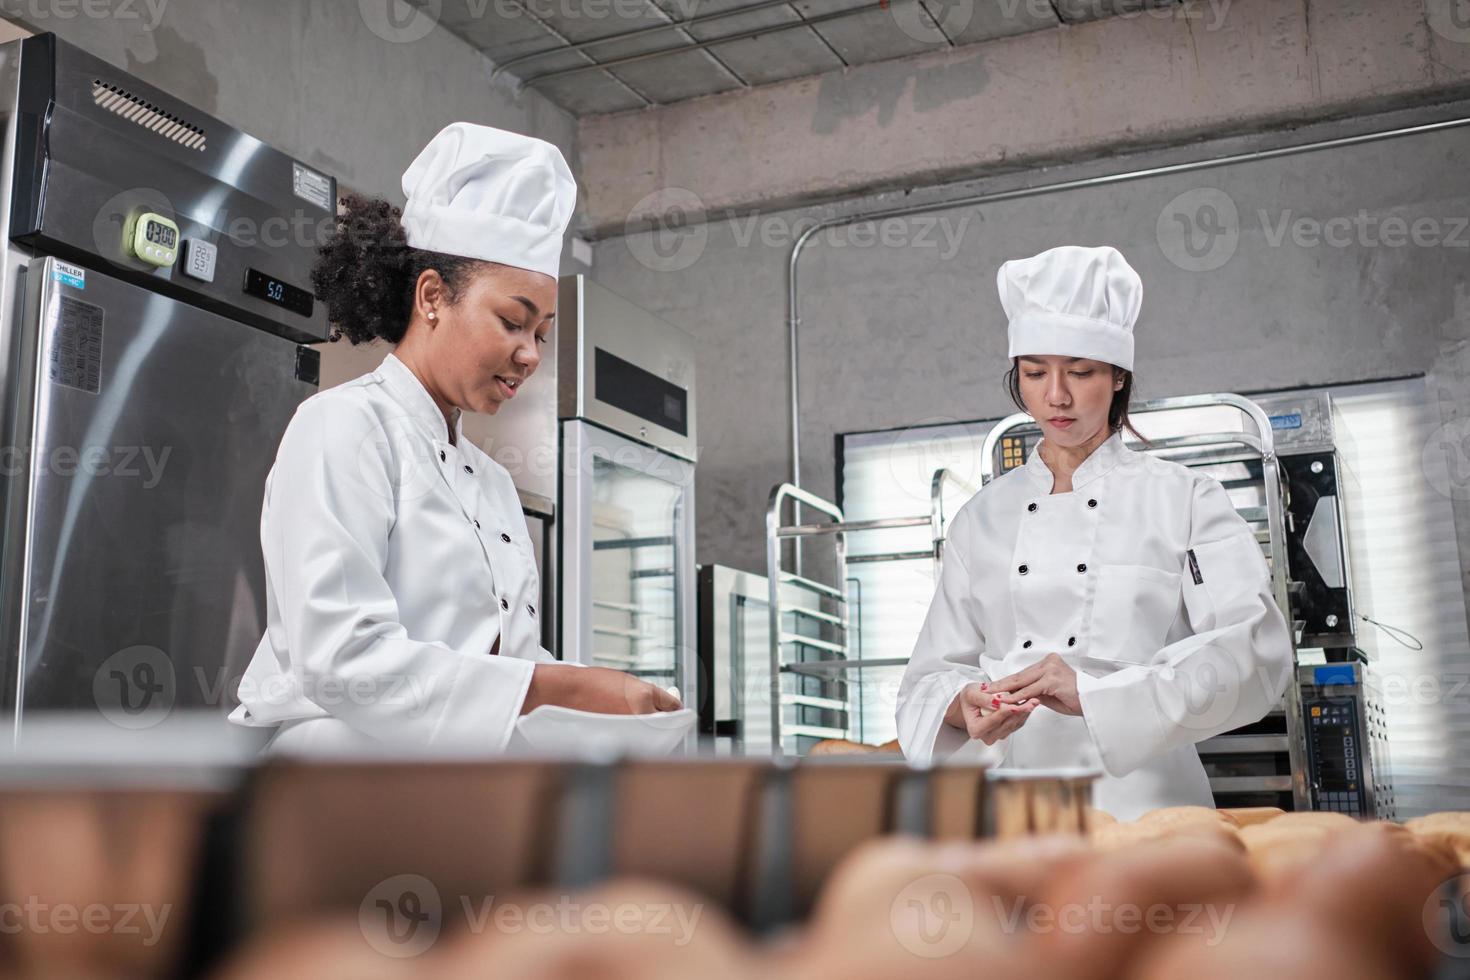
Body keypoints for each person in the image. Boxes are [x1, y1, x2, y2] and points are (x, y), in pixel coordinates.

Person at [229, 123, 680, 755]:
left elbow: (502, 666)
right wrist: (566, 691)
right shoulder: (343, 428)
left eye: (543, 334)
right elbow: (341, 659)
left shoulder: (492, 484)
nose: (529, 355)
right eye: (512, 322)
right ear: (433, 296)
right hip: (335, 788)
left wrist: (601, 701)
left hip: (454, 790)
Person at [895, 245, 1292, 819]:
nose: (1056, 395)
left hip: (1150, 811)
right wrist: (961, 705)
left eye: (1080, 372)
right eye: (1034, 373)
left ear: (1118, 376)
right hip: (1012, 812)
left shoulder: (1182, 498)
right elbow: (928, 677)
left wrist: (1096, 696)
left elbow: (1254, 650)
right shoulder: (980, 519)